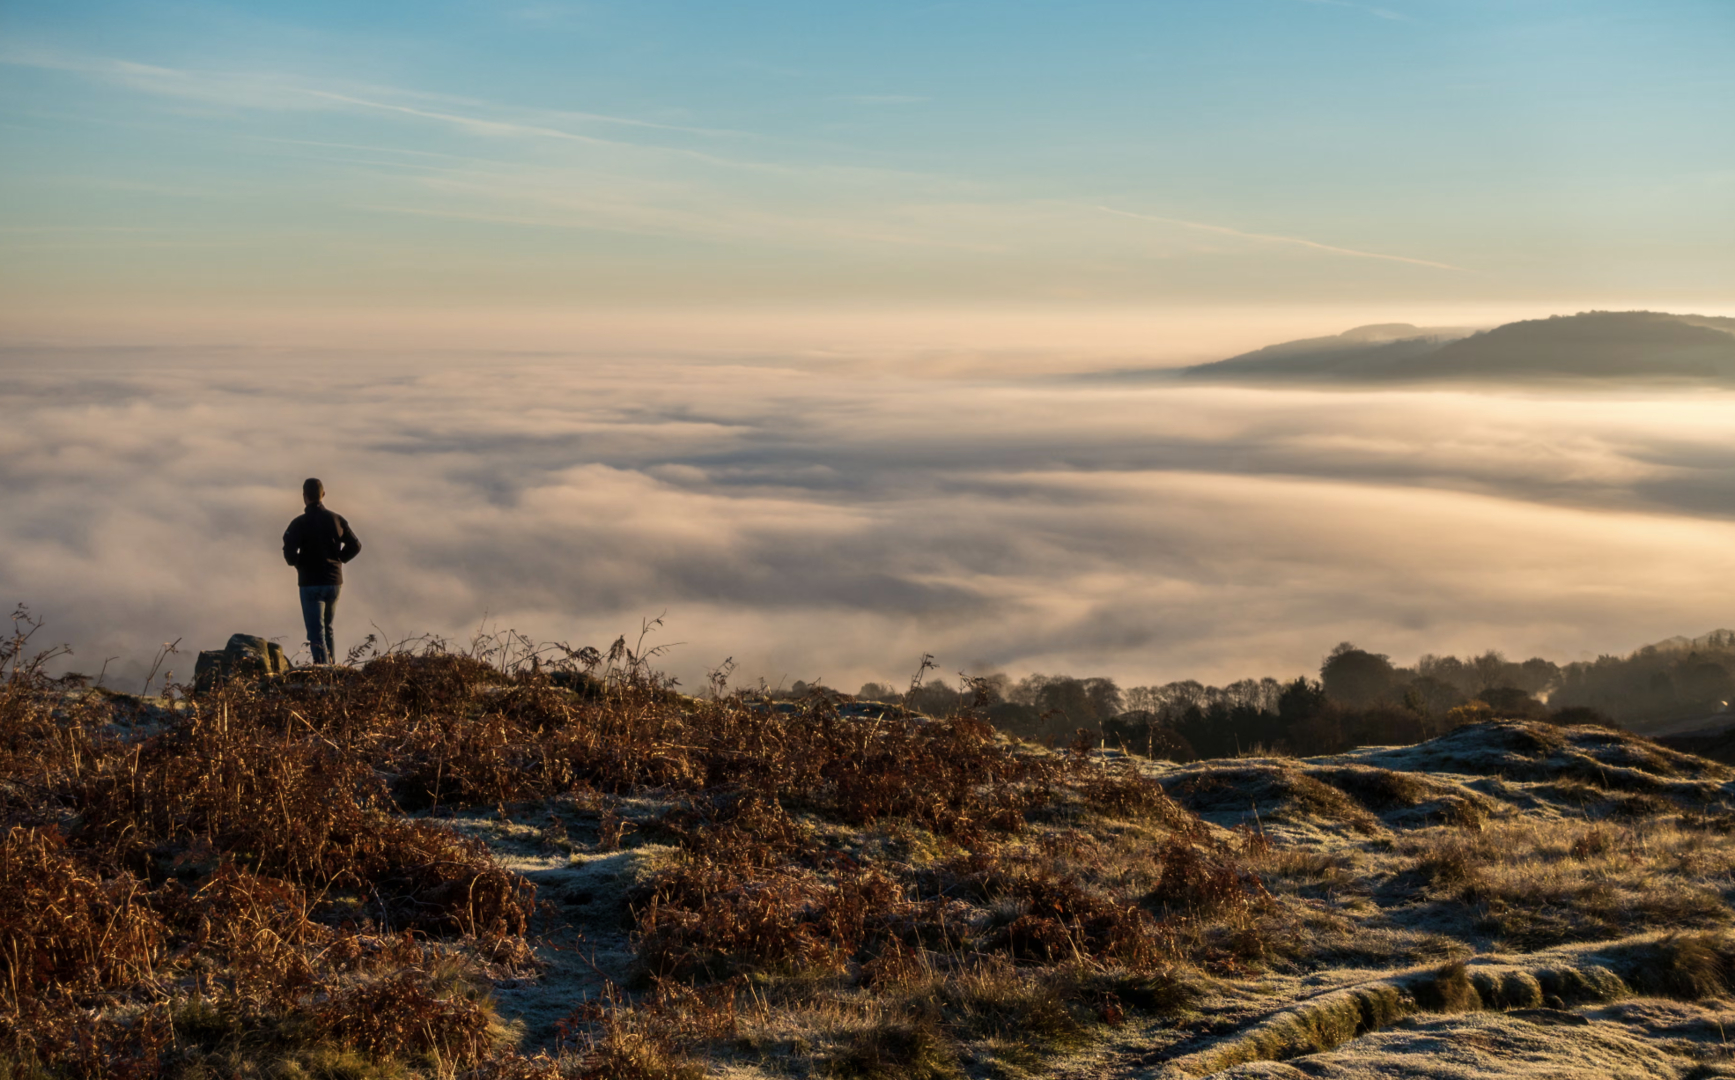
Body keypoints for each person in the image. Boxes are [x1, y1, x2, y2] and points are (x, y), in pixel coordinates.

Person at [282, 478, 362, 664]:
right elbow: (356, 545)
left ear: (304, 497)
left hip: (310, 582)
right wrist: (340, 559)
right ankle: (331, 669)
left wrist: (299, 563)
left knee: (316, 633)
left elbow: (289, 554)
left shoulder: (298, 524)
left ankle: (323, 675)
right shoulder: (336, 519)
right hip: (334, 581)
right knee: (328, 628)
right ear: (323, 495)